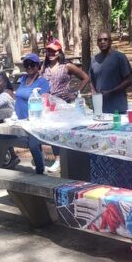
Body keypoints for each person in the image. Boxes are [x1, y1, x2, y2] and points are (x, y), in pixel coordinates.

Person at [41, 40, 90, 173]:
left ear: (59, 52)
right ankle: (58, 160)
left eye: (54, 51)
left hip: (64, 103)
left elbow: (85, 77)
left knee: (64, 131)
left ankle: (67, 160)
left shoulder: (67, 66)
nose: (51, 53)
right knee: (52, 130)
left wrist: (76, 92)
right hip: (49, 104)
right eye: (48, 51)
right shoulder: (44, 66)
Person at [14, 53, 50, 174]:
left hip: (34, 120)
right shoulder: (23, 79)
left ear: (38, 66)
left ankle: (40, 170)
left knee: (33, 145)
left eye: (32, 64)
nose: (29, 67)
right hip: (19, 119)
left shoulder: (42, 82)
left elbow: (44, 100)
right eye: (26, 64)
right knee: (1, 137)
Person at [89, 32, 132, 114]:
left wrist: (111, 92)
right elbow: (91, 81)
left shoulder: (120, 57)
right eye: (100, 40)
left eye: (105, 39)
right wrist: (94, 94)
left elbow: (130, 80)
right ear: (97, 43)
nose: (102, 42)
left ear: (110, 42)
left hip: (117, 108)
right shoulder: (94, 59)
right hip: (100, 109)